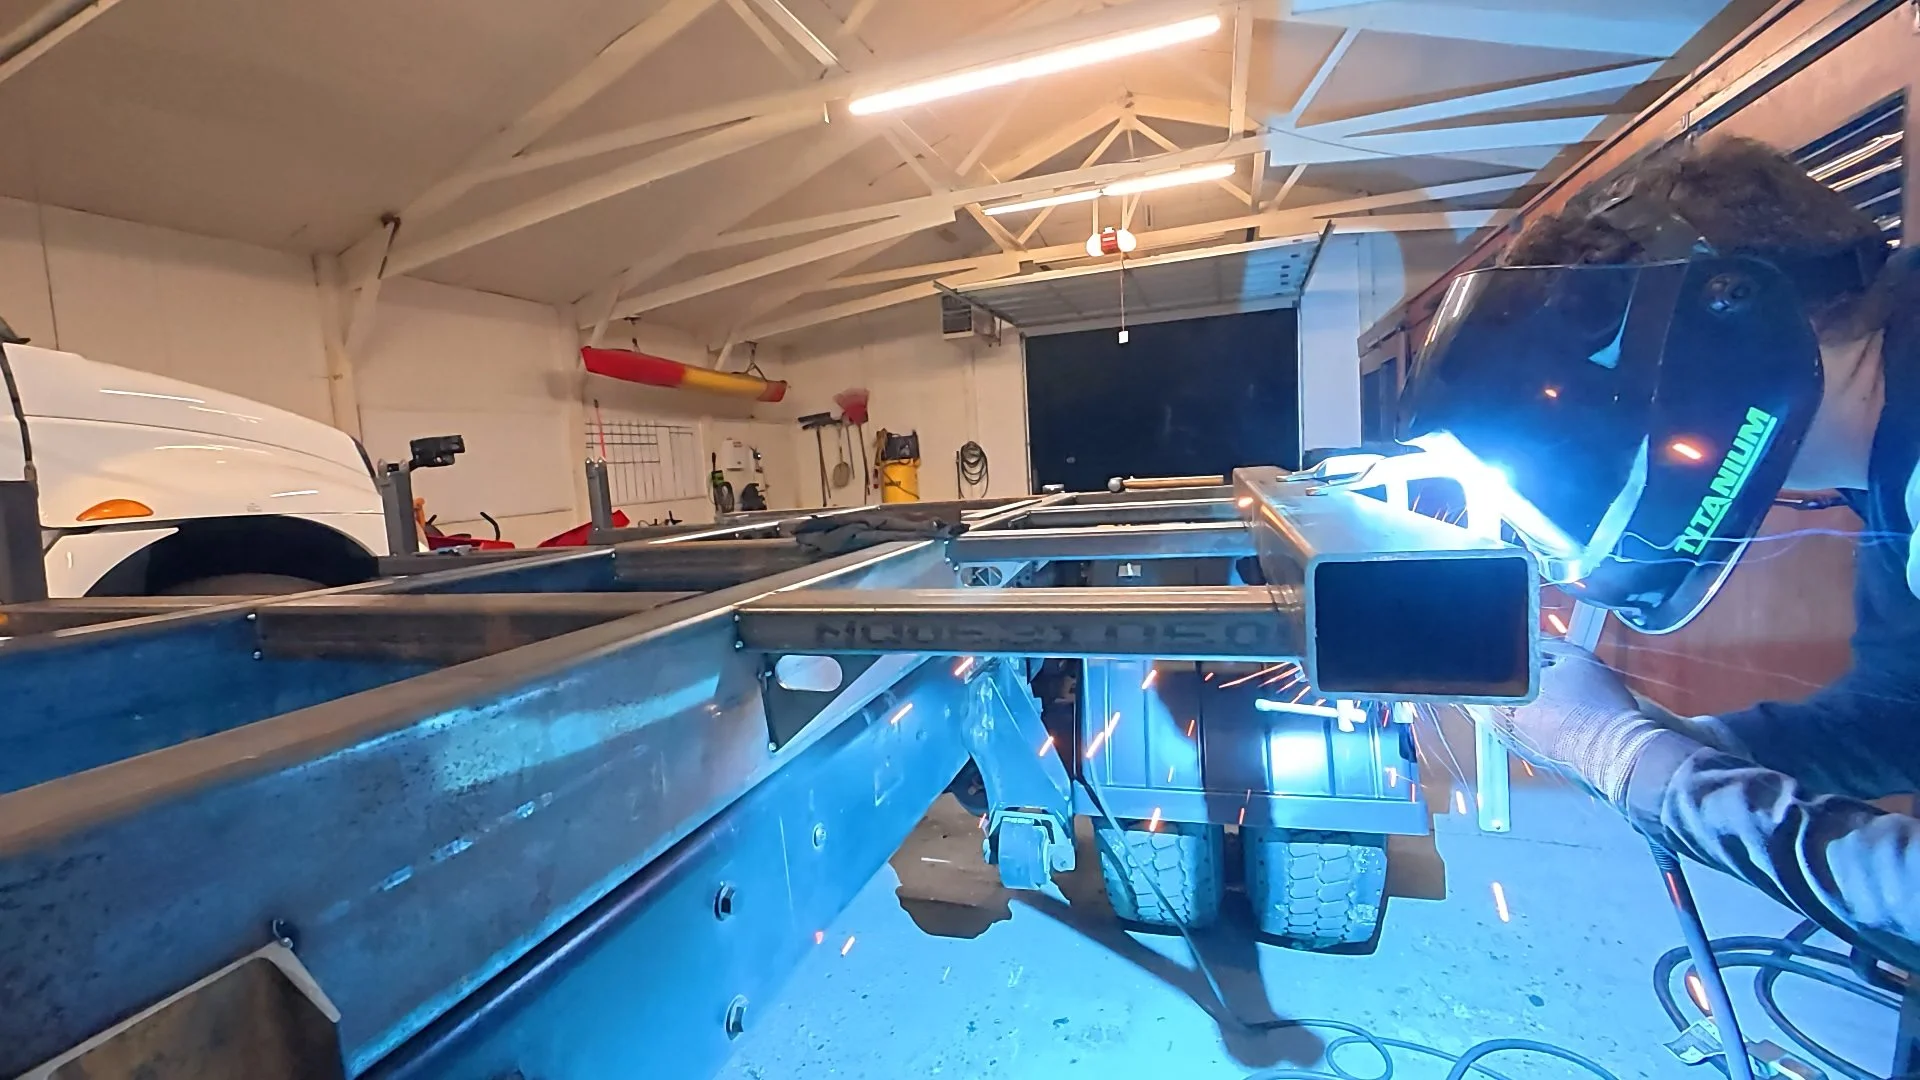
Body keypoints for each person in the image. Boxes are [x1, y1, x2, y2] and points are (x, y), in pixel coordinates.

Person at [1394, 136, 1920, 972]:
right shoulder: (1890, 462)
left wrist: (1635, 764)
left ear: (1728, 323)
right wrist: (1675, 740)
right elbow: (1901, 716)